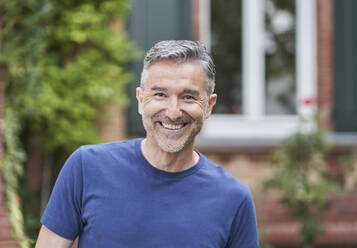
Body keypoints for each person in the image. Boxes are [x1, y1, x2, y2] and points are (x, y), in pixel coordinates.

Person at [35, 40, 259, 248]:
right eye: (160, 94)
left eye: (188, 97)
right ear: (141, 100)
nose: (172, 112)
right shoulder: (86, 167)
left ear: (209, 106)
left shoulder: (234, 198)